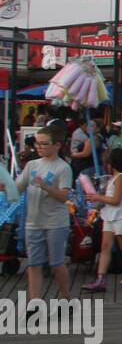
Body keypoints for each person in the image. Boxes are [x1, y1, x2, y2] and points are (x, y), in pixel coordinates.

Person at [15, 126, 74, 303]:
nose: (39, 147)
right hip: (33, 221)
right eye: (37, 143)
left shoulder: (63, 168)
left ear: (57, 145)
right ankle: (35, 304)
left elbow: (64, 196)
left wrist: (47, 187)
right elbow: (17, 188)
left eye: (44, 144)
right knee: (33, 264)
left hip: (55, 222)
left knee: (56, 263)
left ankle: (65, 297)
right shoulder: (32, 165)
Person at [82, 148, 122, 292]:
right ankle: (101, 278)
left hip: (121, 214)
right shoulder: (112, 178)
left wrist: (98, 197)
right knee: (105, 246)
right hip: (109, 214)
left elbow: (116, 200)